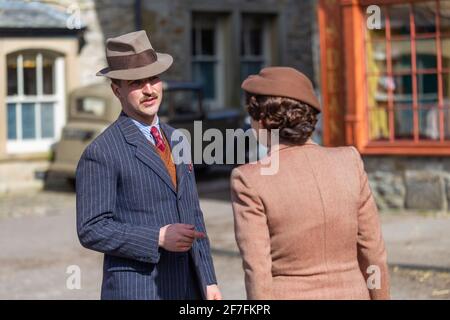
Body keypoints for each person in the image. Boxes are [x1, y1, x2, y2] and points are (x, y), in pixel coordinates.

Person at [76, 30, 221, 300]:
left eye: (153, 78)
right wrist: (157, 237)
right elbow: (91, 229)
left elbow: (193, 214)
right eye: (136, 82)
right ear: (116, 90)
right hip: (138, 290)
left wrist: (208, 279)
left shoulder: (178, 139)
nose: (149, 89)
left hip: (189, 287)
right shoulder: (101, 151)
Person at [230, 66, 390, 300]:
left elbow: (258, 271)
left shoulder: (249, 179)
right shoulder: (349, 161)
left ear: (262, 120)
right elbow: (373, 252)